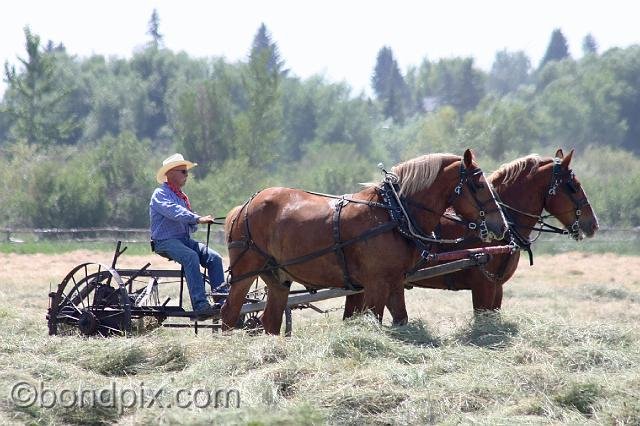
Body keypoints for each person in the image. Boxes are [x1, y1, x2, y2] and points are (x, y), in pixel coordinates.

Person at [149, 153, 227, 319]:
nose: (187, 175)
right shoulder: (160, 194)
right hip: (165, 241)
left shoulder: (182, 197)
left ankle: (222, 301)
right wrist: (197, 218)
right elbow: (174, 211)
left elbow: (187, 221)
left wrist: (198, 219)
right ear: (170, 173)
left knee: (215, 258)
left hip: (183, 240)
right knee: (191, 257)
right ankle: (200, 306)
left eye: (186, 172)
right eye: (183, 172)